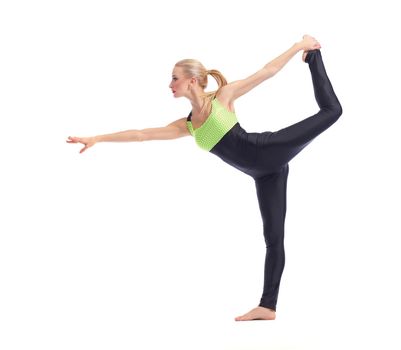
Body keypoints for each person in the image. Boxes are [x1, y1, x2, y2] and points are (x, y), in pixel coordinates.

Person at [67, 35, 342, 321]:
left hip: (268, 149)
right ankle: (267, 306)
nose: (170, 84)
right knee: (274, 239)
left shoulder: (223, 98)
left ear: (192, 81)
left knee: (332, 111)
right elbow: (141, 135)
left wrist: (300, 47)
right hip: (265, 175)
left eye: (174, 78)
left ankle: (313, 56)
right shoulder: (187, 126)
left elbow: (267, 72)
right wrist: (97, 138)